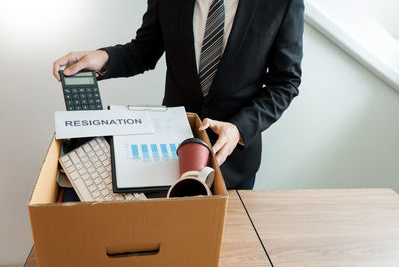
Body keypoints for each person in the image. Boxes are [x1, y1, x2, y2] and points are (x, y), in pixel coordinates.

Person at [53, 0, 304, 189]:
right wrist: (104, 58)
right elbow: (145, 49)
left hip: (234, 163)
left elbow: (285, 82)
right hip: (169, 152)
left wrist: (239, 128)